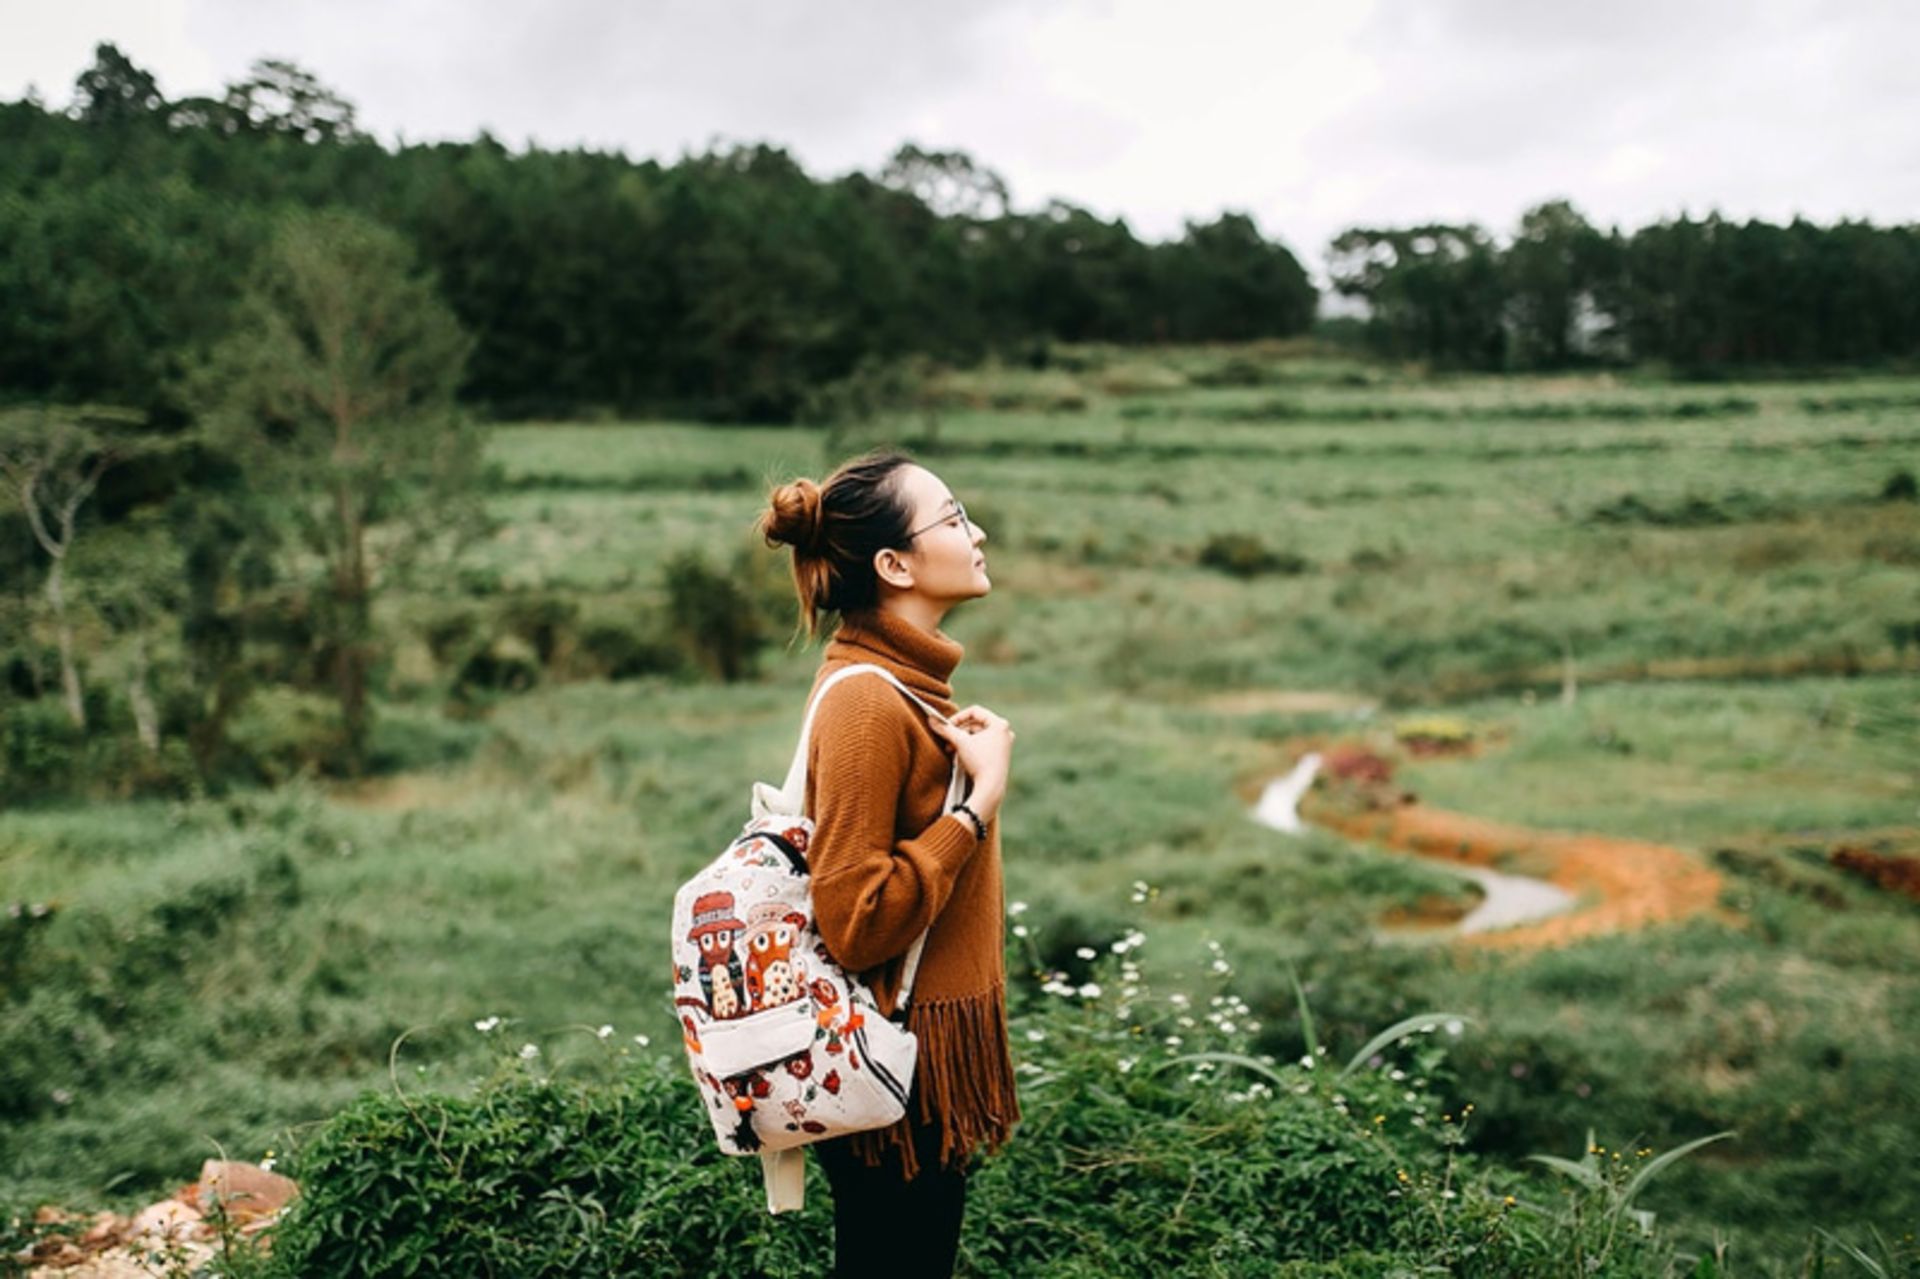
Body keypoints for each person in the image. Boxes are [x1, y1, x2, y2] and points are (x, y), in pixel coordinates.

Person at [759, 450, 1019, 1278]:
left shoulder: (906, 688)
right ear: (894, 563)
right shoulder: (868, 701)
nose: (976, 533)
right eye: (952, 517)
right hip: (891, 1059)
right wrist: (977, 807)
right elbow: (856, 917)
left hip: (915, 1058)